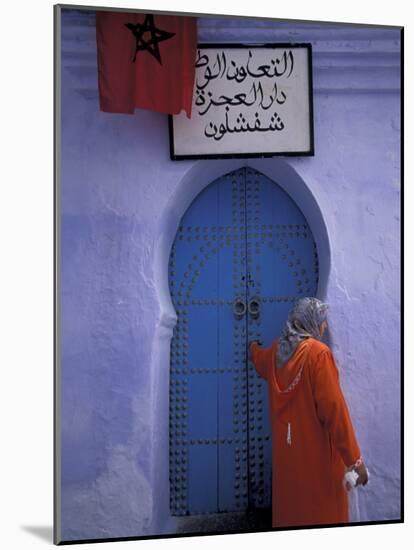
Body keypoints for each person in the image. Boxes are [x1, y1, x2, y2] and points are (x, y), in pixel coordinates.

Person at [249, 297, 368, 528]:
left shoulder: (275, 352)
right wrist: (355, 461)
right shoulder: (318, 355)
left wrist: (252, 348)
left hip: (288, 458)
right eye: (322, 321)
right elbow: (335, 412)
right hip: (317, 462)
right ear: (311, 322)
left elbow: (259, 359)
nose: (324, 327)